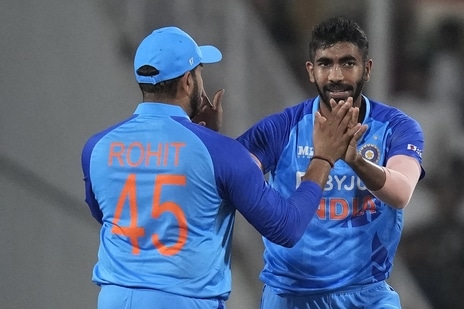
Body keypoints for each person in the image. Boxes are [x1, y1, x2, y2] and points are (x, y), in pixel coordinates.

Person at [80, 26, 365, 309]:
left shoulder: (97, 147)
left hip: (114, 298)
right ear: (188, 82)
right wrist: (324, 158)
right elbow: (286, 227)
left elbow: (108, 213)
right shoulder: (222, 154)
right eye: (200, 72)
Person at [237, 16, 425, 308]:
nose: (336, 76)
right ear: (311, 72)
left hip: (367, 295)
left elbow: (401, 194)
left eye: (348, 63)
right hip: (290, 295)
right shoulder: (281, 128)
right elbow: (233, 178)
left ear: (367, 68)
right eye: (325, 64)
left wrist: (355, 160)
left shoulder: (396, 128)